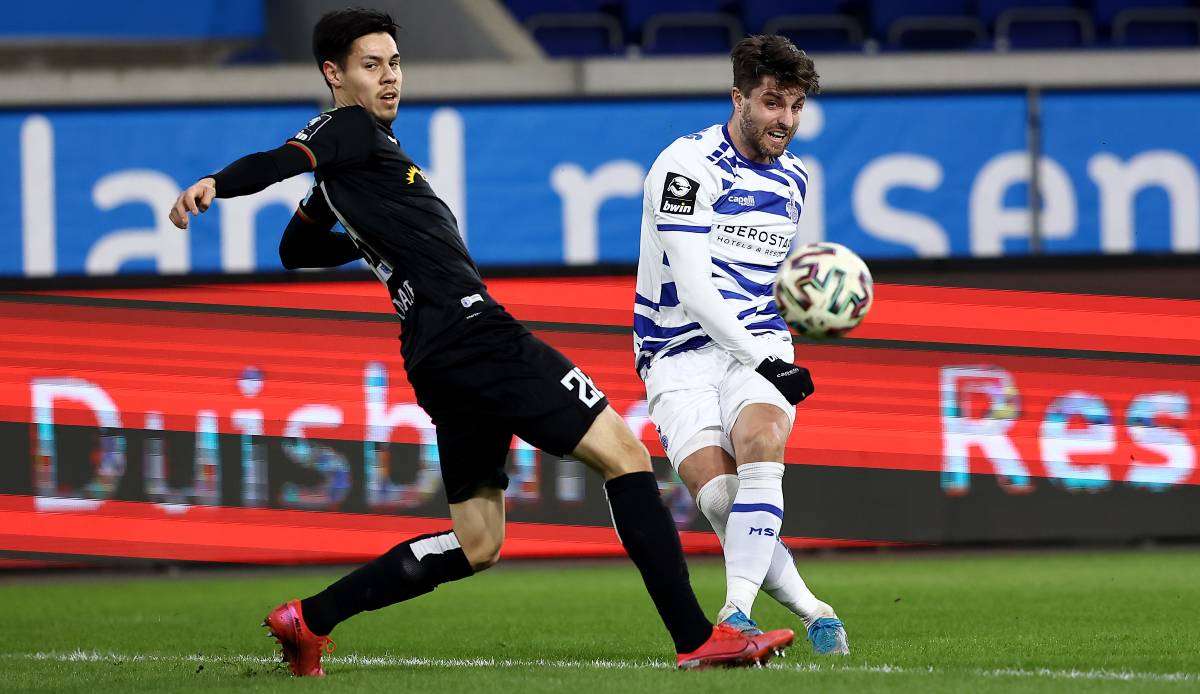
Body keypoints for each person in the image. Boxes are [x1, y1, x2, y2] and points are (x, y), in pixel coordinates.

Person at [167, 8, 793, 677]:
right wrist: (219, 185)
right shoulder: (345, 129)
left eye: (394, 63)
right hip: (476, 334)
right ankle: (698, 638)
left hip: (434, 355)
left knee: (478, 541)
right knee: (626, 454)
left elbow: (295, 248)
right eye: (370, 65)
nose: (388, 78)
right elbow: (284, 159)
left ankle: (309, 620)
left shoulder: (354, 170)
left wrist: (373, 234)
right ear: (334, 73)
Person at [633, 34, 849, 655]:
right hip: (675, 353)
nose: (785, 119)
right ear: (739, 98)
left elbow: (762, 282)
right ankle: (815, 609)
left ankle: (735, 614)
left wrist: (784, 336)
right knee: (725, 500)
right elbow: (698, 293)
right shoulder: (685, 167)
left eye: (795, 106)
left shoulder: (795, 180)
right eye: (772, 102)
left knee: (762, 443)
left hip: (755, 342)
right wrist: (771, 365)